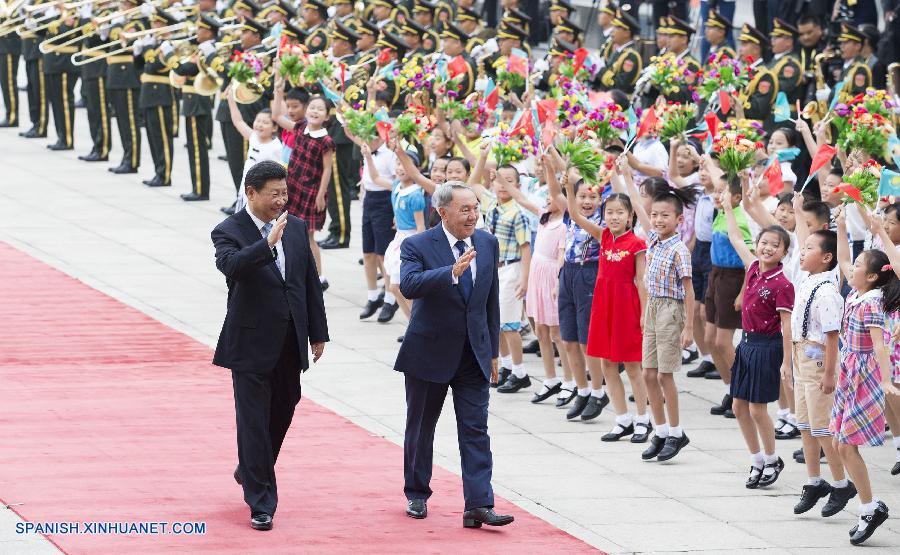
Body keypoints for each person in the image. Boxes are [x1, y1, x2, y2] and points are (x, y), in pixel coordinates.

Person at [211, 160, 329, 531]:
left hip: (289, 340)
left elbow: (308, 281)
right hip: (249, 343)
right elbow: (232, 267)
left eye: (285, 192)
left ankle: (251, 466)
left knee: (284, 407)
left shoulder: (295, 226)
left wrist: (318, 332)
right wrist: (266, 244)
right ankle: (261, 502)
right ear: (251, 193)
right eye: (274, 193)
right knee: (252, 422)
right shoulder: (228, 230)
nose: (282, 200)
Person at [395, 181, 514, 529]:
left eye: (475, 208)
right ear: (442, 212)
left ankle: (478, 503)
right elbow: (409, 284)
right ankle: (417, 492)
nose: (472, 216)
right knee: (421, 426)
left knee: (476, 428)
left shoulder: (487, 242)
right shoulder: (417, 244)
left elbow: (490, 303)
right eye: (465, 210)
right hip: (429, 351)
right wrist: (450, 272)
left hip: (472, 354)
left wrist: (493, 351)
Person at [833, 209, 900, 545]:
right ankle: (868, 506)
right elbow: (844, 258)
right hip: (848, 370)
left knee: (845, 445)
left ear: (872, 277)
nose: (852, 267)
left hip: (864, 374)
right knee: (837, 442)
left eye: (860, 265)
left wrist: (886, 381)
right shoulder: (856, 293)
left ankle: (870, 508)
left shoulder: (872, 303)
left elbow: (880, 346)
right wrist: (843, 224)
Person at [623, 157, 697, 462]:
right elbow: (639, 210)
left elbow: (689, 290)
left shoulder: (679, 250)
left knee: (665, 375)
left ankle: (677, 432)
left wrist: (689, 327)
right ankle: (661, 429)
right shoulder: (653, 240)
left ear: (679, 220)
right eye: (655, 215)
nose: (657, 220)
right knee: (648, 373)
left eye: (665, 215)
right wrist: (627, 176)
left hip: (671, 310)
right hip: (653, 307)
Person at [721, 191, 794, 489]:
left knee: (757, 408)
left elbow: (787, 327)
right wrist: (728, 207)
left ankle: (773, 457)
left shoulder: (783, 284)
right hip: (746, 344)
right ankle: (757, 460)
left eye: (775, 245)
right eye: (763, 242)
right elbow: (737, 238)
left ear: (784, 253)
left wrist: (787, 362)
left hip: (768, 347)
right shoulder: (752, 268)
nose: (767, 248)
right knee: (739, 407)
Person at [571, 185, 651, 444]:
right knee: (606, 364)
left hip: (627, 307)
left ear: (630, 217)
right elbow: (574, 215)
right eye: (609, 212)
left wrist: (643, 314)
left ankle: (642, 420)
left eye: (620, 213)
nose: (614, 217)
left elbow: (642, 281)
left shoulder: (637, 243)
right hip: (603, 306)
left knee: (632, 366)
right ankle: (622, 420)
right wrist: (561, 180)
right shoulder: (603, 236)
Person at [525, 195, 574, 406]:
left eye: (551, 197)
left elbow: (562, 255)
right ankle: (550, 378)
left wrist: (557, 281)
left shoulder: (564, 225)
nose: (546, 200)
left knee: (557, 333)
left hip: (551, 277)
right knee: (540, 329)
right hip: (536, 275)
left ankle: (570, 381)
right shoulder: (543, 218)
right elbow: (521, 199)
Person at [284, 95, 334, 291]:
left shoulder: (326, 141)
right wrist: (279, 86)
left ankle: (319, 277)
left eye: (320, 109)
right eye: (312, 107)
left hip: (311, 192)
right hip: (293, 188)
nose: (315, 111)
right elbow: (278, 115)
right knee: (288, 232)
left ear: (327, 117)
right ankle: (294, 273)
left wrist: (321, 194)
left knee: (308, 236)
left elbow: (327, 169)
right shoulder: (299, 128)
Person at [226, 88, 283, 213]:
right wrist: (231, 99)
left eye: (265, 122)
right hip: (246, 188)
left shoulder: (276, 147)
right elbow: (238, 121)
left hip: (263, 194)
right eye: (258, 121)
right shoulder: (253, 137)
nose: (259, 125)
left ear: (274, 128)